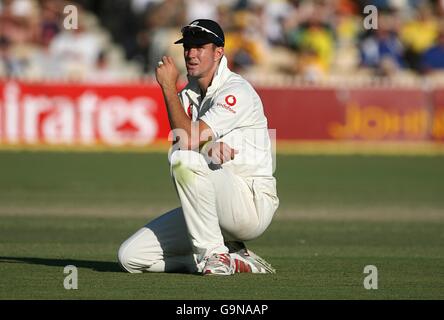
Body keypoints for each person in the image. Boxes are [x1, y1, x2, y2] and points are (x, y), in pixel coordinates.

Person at [118, 19, 279, 276]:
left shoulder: (236, 90)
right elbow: (179, 145)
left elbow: (186, 144)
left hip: (250, 203)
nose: (191, 54)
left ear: (218, 52)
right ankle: (232, 258)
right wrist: (206, 147)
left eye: (199, 47)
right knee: (131, 258)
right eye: (188, 47)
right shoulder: (189, 95)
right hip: (211, 202)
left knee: (186, 160)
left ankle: (215, 254)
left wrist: (168, 88)